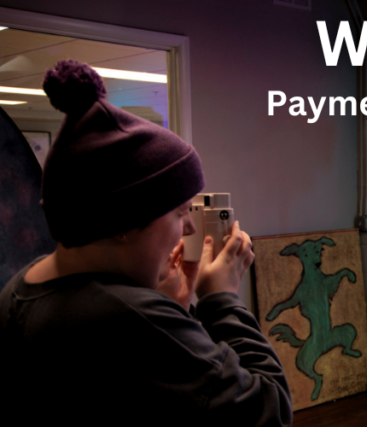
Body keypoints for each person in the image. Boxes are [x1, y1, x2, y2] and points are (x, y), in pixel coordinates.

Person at [0, 60, 291, 426]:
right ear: (124, 222)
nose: (187, 228)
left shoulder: (20, 290)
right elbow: (269, 411)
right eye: (179, 212)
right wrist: (221, 300)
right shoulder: (129, 319)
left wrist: (173, 307)